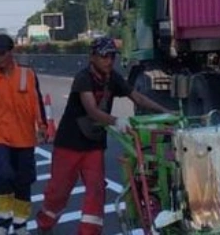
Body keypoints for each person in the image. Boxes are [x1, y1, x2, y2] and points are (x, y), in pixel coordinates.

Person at [36, 36, 172, 235]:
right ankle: (44, 224)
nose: (109, 60)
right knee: (59, 191)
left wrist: (165, 112)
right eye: (104, 56)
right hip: (70, 143)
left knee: (97, 189)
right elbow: (91, 110)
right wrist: (116, 121)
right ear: (93, 57)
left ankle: (88, 232)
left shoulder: (113, 77)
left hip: (94, 144)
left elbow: (138, 97)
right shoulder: (83, 78)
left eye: (112, 56)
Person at [0, 33, 48, 235]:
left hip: (25, 138)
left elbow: (38, 103)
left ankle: (20, 224)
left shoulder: (28, 75)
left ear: (11, 52)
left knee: (23, 182)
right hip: (1, 137)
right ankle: (2, 222)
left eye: (1, 53)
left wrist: (42, 127)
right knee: (3, 176)